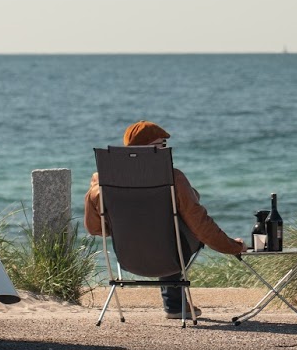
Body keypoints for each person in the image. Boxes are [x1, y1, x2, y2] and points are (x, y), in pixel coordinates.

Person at [84, 120, 246, 319]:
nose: (165, 151)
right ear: (147, 150)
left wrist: (127, 224)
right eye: (161, 146)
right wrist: (232, 246)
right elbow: (201, 225)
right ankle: (175, 304)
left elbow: (95, 228)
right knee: (180, 225)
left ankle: (175, 304)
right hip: (168, 257)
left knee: (156, 226)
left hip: (128, 259)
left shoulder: (102, 181)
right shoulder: (172, 177)